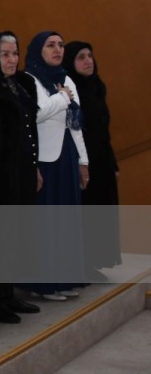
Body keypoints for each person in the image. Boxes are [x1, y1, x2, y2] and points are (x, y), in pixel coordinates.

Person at [0, 32, 42, 323]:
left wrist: (34, 167)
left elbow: (28, 131)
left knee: (14, 234)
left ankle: (8, 293)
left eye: (15, 54)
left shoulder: (20, 84)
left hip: (21, 170)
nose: (12, 60)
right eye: (5, 54)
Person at [24, 31, 88, 300]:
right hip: (45, 159)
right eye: (50, 45)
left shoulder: (66, 78)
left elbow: (76, 124)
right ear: (38, 50)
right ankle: (45, 284)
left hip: (67, 154)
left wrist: (83, 161)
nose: (57, 50)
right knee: (48, 223)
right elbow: (35, 114)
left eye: (60, 45)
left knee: (67, 220)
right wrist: (62, 98)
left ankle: (65, 279)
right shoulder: (30, 79)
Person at [65, 41, 121, 271]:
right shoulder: (70, 92)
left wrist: (113, 163)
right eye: (81, 57)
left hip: (102, 158)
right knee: (89, 212)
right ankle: (86, 264)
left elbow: (103, 130)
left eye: (90, 56)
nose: (88, 61)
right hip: (84, 161)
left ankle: (98, 261)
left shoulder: (97, 86)